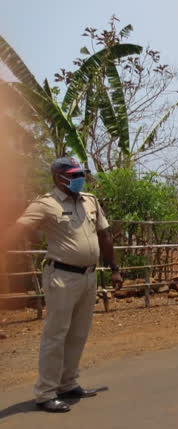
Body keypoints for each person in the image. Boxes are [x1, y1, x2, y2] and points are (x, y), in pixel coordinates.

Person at [0, 157, 122, 412]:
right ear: (58, 178)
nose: (79, 179)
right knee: (56, 335)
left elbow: (104, 234)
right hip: (62, 277)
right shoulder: (45, 204)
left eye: (80, 174)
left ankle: (68, 383)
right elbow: (19, 230)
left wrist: (114, 268)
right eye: (74, 175)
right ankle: (45, 392)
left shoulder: (90, 200)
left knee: (78, 333)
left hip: (88, 276)